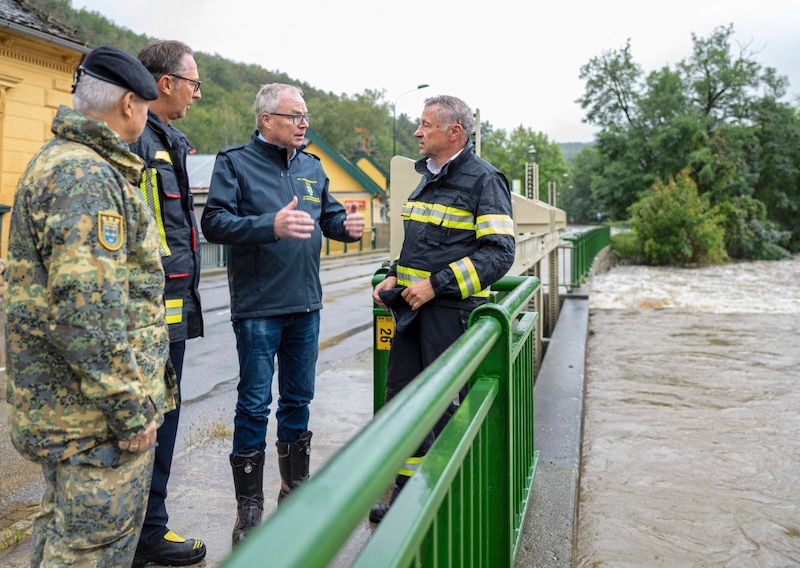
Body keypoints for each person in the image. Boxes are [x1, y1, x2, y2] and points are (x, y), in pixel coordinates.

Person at [4, 46, 176, 566]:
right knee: (91, 550)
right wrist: (130, 410)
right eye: (145, 107)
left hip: (75, 413)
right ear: (129, 104)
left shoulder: (65, 163)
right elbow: (89, 314)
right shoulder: (87, 177)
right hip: (92, 420)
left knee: (65, 537)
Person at [200, 83, 365, 544]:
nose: (303, 123)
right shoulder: (233, 162)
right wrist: (267, 225)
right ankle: (248, 508)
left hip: (305, 304)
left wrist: (347, 229)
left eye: (306, 116)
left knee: (299, 401)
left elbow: (328, 218)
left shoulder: (312, 166)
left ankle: (295, 493)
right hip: (258, 308)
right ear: (266, 118)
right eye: (294, 116)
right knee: (254, 404)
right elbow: (213, 222)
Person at [369, 95, 516, 523]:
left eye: (426, 125)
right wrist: (395, 274)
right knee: (405, 402)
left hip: (450, 317)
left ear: (455, 132)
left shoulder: (485, 181)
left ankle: (454, 504)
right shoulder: (426, 177)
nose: (417, 132)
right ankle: (409, 497)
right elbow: (419, 246)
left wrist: (437, 286)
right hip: (412, 314)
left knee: (449, 409)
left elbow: (499, 254)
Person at [129, 39, 206, 567]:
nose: (197, 94)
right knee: (144, 426)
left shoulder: (167, 141)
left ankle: (147, 530)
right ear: (165, 84)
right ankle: (139, 536)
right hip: (149, 313)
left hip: (171, 310)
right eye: (193, 83)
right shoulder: (137, 141)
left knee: (164, 421)